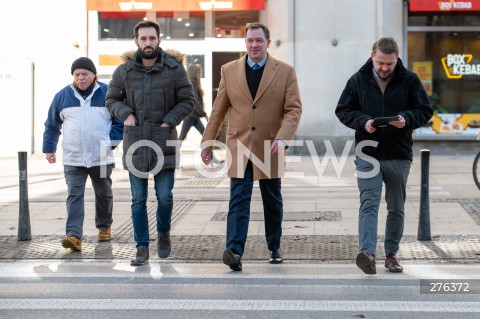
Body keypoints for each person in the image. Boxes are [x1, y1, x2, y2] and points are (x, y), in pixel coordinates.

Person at [200, 22, 302, 271]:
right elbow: (219, 109)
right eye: (250, 41)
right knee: (238, 198)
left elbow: (293, 109)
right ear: (245, 43)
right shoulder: (229, 70)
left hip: (270, 145)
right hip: (239, 144)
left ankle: (274, 246)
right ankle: (234, 250)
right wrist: (208, 143)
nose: (254, 45)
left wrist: (283, 137)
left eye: (259, 40)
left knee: (271, 199)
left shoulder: (285, 71)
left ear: (268, 43)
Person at [335, 37, 433, 275]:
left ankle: (391, 255)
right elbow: (343, 110)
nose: (385, 68)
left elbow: (425, 110)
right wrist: (364, 122)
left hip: (399, 153)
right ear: (372, 56)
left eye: (389, 63)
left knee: (396, 206)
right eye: (380, 63)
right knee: (369, 202)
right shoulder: (357, 80)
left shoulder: (409, 79)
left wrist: (406, 119)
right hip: (367, 152)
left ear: (396, 58)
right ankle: (367, 254)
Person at [106, 20, 195, 266]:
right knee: (138, 199)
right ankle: (142, 246)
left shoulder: (174, 69)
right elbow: (111, 99)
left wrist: (169, 121)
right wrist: (126, 113)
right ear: (136, 41)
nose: (148, 43)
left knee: (165, 197)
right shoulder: (124, 71)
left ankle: (163, 234)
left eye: (152, 38)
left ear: (159, 40)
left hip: (163, 142)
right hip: (135, 144)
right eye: (143, 39)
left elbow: (188, 101)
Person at [43, 57, 123, 252]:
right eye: (77, 74)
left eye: (84, 74)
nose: (80, 78)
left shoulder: (107, 94)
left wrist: (109, 144)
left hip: (101, 157)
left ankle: (104, 226)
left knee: (104, 193)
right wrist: (49, 148)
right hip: (73, 157)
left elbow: (120, 122)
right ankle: (73, 235)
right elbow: (52, 125)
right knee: (74, 195)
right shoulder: (62, 96)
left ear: (93, 75)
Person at [179, 63, 223, 165]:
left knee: (205, 136)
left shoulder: (193, 83)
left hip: (194, 117)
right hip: (191, 116)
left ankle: (212, 158)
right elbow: (195, 103)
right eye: (199, 72)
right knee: (182, 137)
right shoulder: (192, 84)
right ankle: (171, 158)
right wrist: (204, 114)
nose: (200, 73)